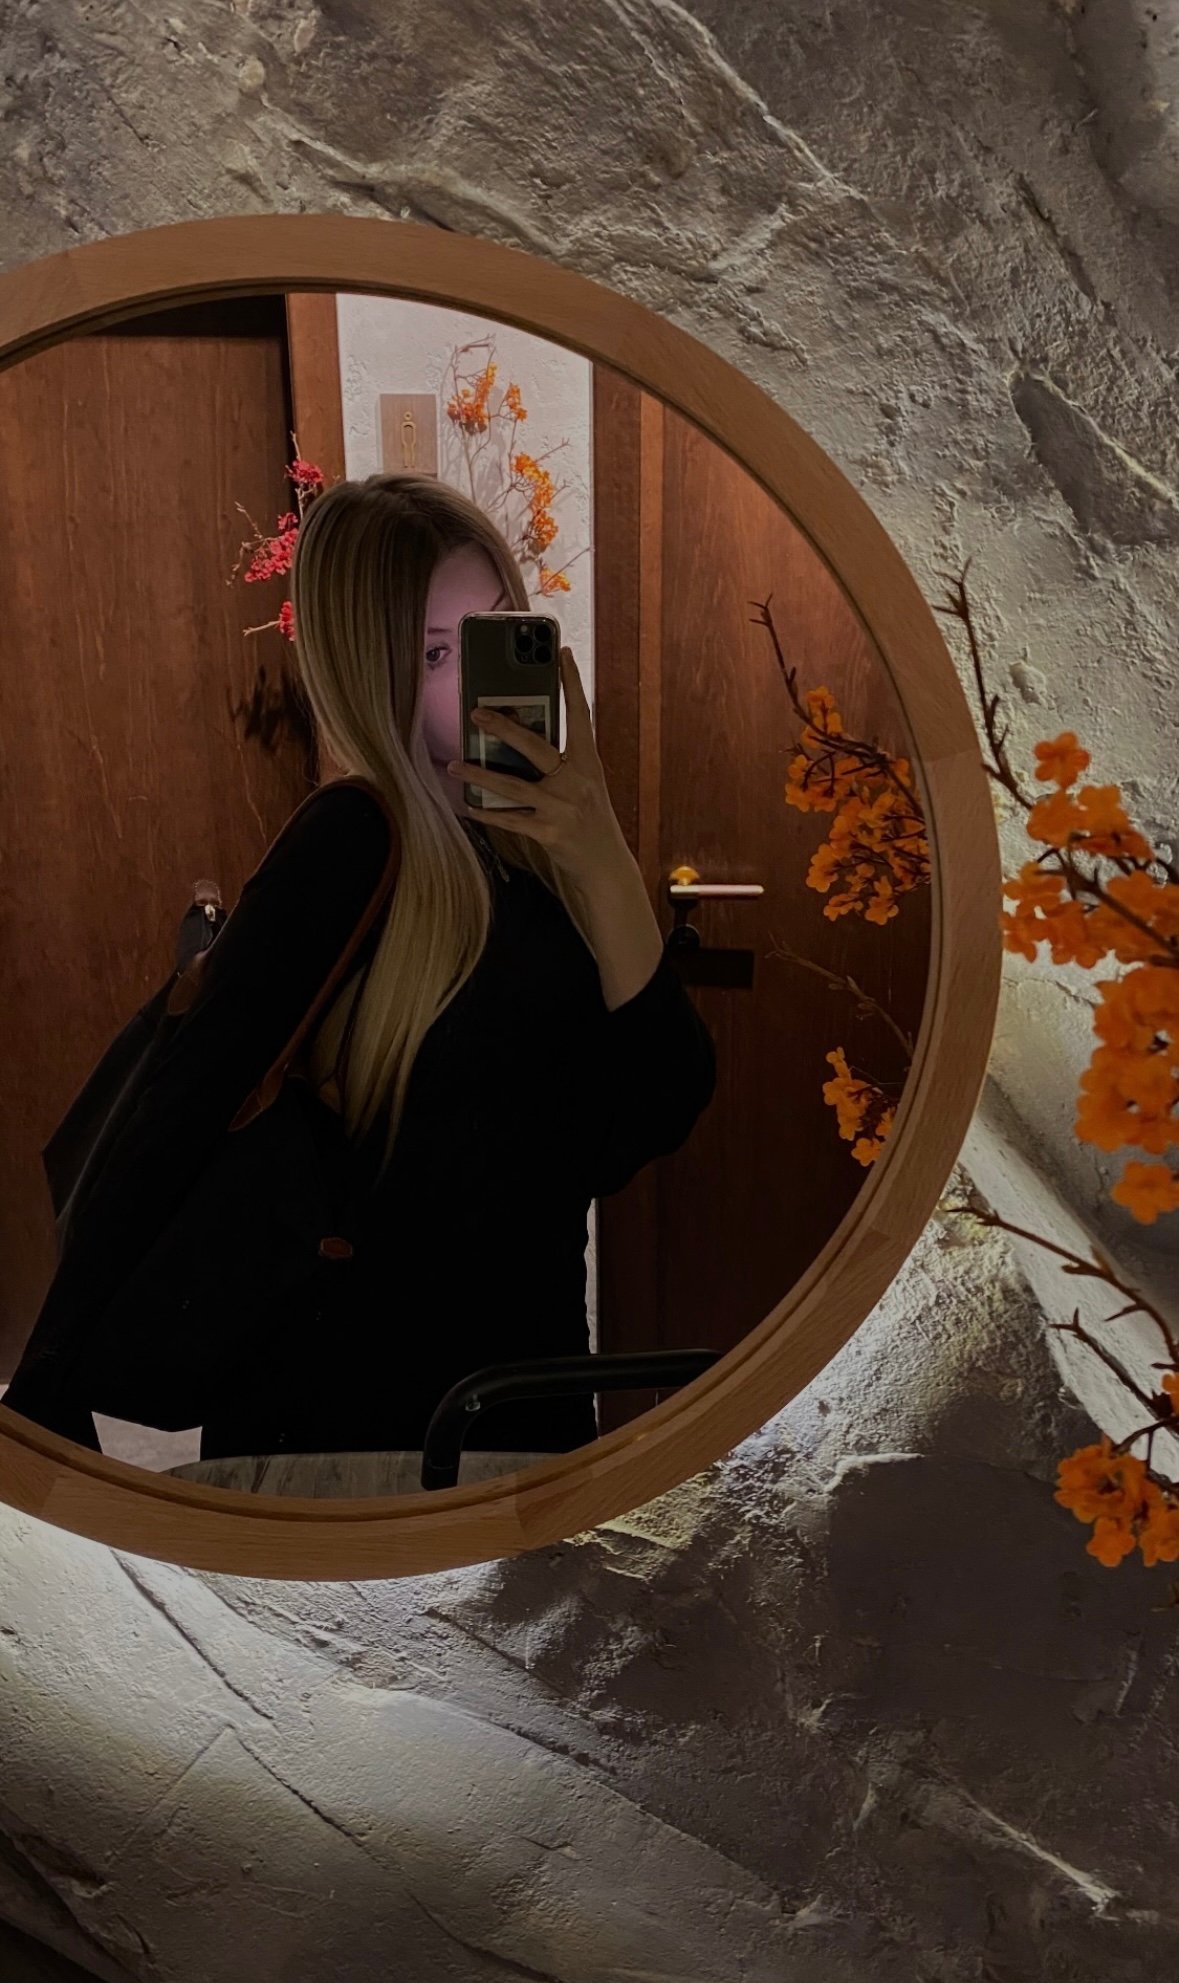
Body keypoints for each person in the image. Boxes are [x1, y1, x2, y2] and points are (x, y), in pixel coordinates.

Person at [4, 472, 718, 1462]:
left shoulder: (540, 860)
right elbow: (182, 1105)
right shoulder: (351, 843)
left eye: (492, 632)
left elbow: (658, 1108)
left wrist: (601, 856)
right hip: (348, 1445)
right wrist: (47, 1403)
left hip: (519, 1414)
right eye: (433, 653)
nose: (472, 685)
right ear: (366, 671)